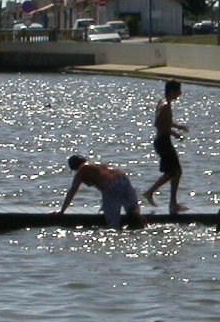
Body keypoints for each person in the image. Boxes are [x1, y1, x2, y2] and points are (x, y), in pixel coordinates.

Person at [57, 154, 147, 229]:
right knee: (133, 212)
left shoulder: (82, 170)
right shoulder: (97, 164)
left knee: (113, 223)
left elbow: (72, 191)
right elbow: (102, 181)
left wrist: (62, 211)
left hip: (111, 186)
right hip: (123, 179)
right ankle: (142, 225)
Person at [143, 79, 189, 213]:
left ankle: (172, 203)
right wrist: (174, 134)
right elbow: (158, 124)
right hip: (162, 142)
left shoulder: (164, 102)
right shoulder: (165, 106)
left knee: (176, 172)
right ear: (173, 91)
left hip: (163, 141)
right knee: (174, 172)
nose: (180, 94)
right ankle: (151, 192)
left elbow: (165, 122)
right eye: (178, 91)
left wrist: (177, 126)